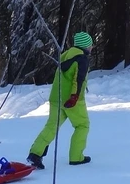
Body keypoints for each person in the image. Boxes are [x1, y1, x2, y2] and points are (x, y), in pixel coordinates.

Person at [27, 31, 93, 169]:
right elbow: (78, 80)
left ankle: (35, 153)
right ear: (85, 46)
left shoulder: (64, 55)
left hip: (56, 98)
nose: (91, 47)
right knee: (82, 125)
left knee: (52, 126)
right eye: (90, 45)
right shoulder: (82, 59)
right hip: (72, 100)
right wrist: (74, 97)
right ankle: (76, 157)